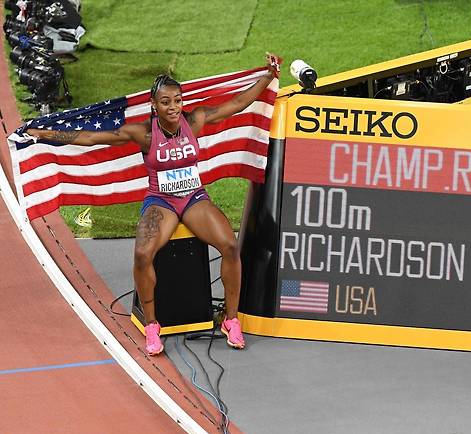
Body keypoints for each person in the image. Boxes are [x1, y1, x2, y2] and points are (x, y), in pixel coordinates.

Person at [27, 53, 282, 355]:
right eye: (165, 102)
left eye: (177, 100)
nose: (173, 107)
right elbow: (93, 138)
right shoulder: (145, 133)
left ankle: (231, 320)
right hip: (161, 200)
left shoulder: (194, 119)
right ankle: (152, 325)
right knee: (143, 254)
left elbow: (238, 104)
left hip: (193, 197)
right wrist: (46, 134)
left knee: (229, 245)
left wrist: (268, 76)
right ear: (154, 105)